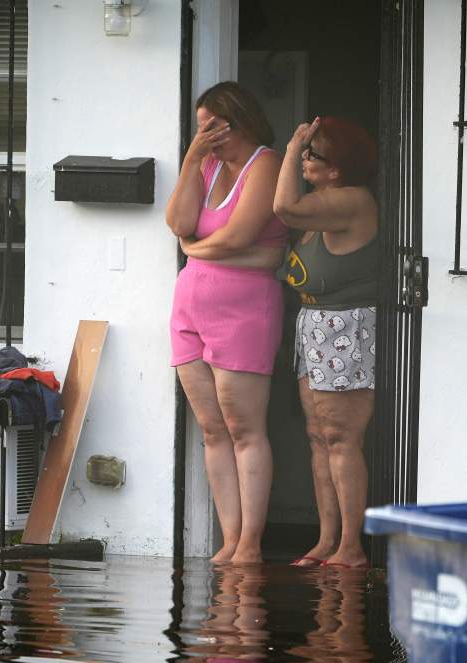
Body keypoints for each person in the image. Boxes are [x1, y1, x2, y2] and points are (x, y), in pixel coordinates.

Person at [165, 81, 288, 565]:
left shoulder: (267, 163)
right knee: (211, 429)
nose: (203, 134)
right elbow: (178, 221)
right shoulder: (208, 164)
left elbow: (238, 236)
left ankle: (251, 544)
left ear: (233, 121)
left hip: (244, 312)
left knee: (244, 428)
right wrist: (191, 160)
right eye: (199, 129)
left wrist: (195, 249)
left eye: (208, 127)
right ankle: (230, 539)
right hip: (190, 309)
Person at [273, 117, 379, 569]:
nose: (303, 158)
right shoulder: (323, 203)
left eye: (312, 154)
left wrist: (289, 144)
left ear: (336, 168)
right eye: (304, 150)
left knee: (341, 437)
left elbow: (282, 208)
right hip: (313, 325)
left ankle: (351, 547)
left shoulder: (351, 201)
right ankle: (326, 540)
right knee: (318, 437)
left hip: (344, 326)